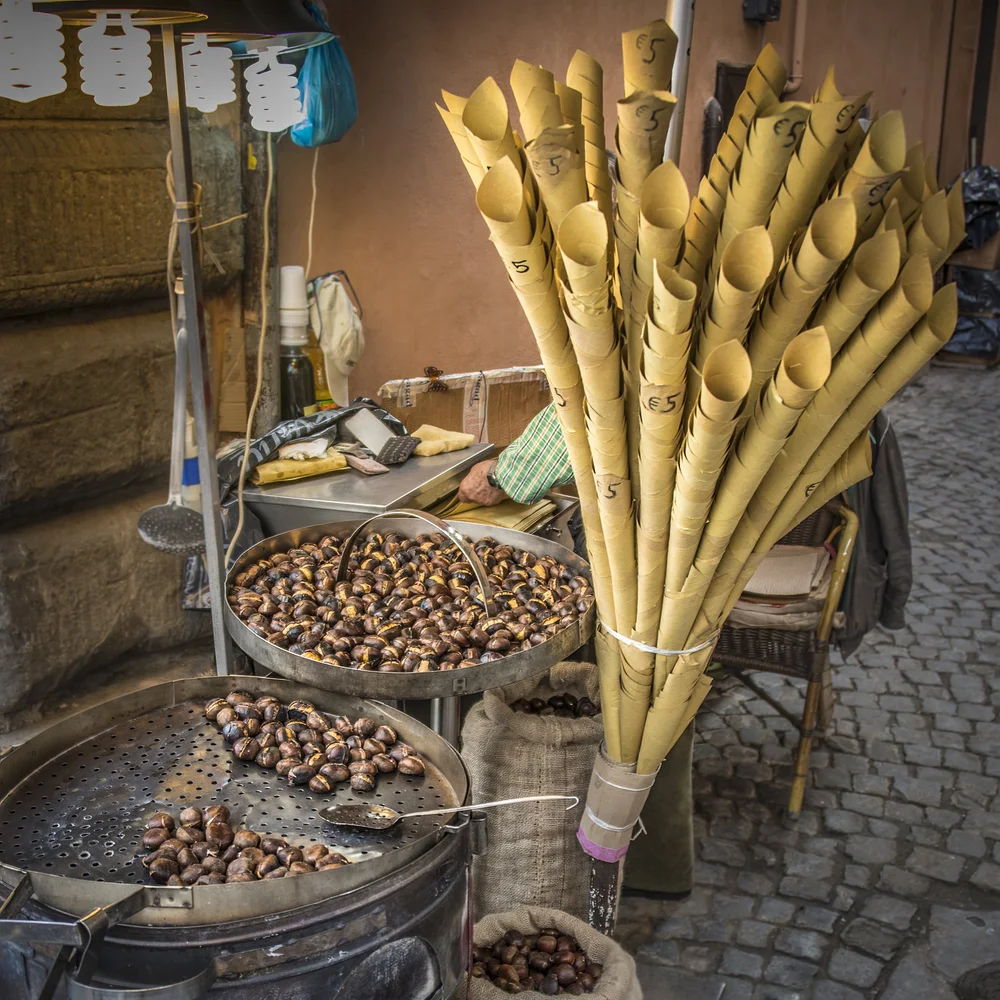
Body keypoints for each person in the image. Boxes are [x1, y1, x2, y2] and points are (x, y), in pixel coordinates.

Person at [457, 402, 695, 899]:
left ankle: (607, 862)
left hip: (641, 540)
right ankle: (654, 863)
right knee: (663, 690)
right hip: (688, 541)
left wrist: (502, 474)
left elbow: (586, 408)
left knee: (632, 689)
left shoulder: (636, 333)